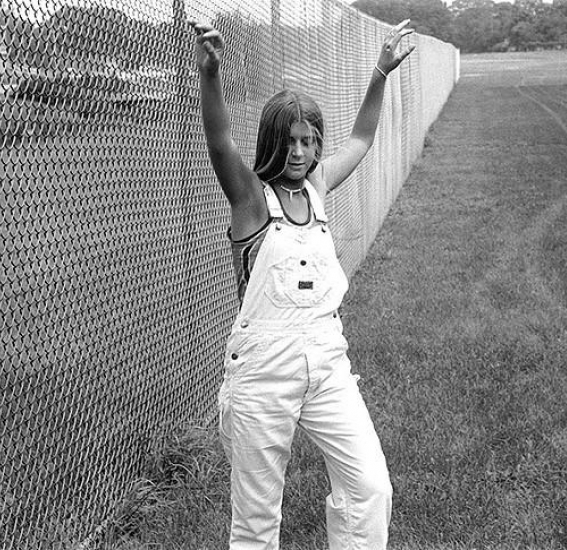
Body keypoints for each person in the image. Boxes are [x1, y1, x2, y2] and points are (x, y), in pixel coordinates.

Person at [191, 18, 415, 550]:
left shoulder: (316, 188)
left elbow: (361, 138)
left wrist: (379, 74)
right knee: (256, 522)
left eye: (309, 142)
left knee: (369, 489)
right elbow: (219, 141)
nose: (299, 153)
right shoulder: (250, 198)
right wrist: (211, 75)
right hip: (263, 376)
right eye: (289, 142)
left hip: (327, 362)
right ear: (272, 142)